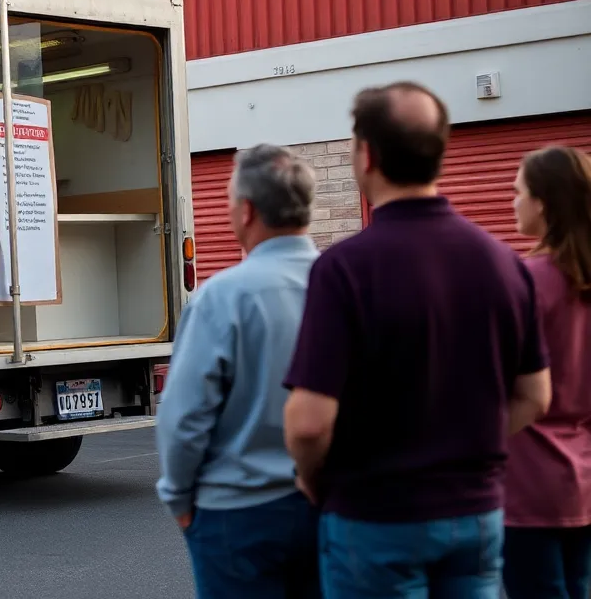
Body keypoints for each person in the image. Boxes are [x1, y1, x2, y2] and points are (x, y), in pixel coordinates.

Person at [283, 81, 552, 598]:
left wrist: (318, 480)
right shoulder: (504, 264)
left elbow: (309, 422)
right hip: (476, 513)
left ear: (366, 156)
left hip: (373, 514)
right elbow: (535, 395)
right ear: (441, 152)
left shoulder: (344, 269)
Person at [156, 143, 321, 599]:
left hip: (237, 514)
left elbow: (185, 417)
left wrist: (178, 497)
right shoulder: (348, 285)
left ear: (246, 211)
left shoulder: (221, 298)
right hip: (332, 507)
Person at [502, 146, 591, 599]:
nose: (510, 201)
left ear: (543, 202)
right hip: (583, 482)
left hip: (526, 485)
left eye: (518, 192)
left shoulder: (527, 280)